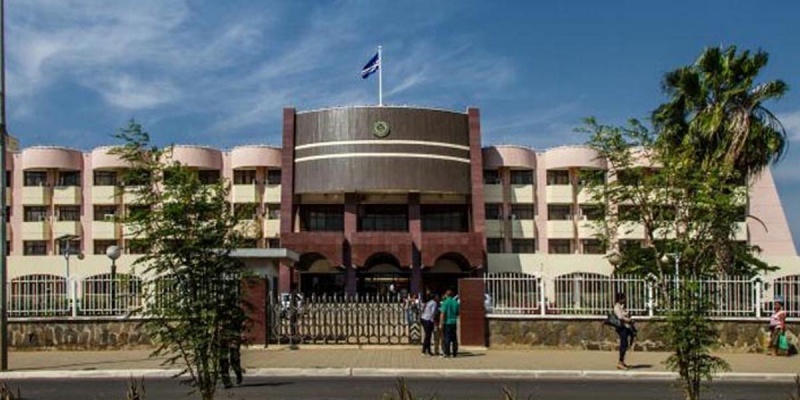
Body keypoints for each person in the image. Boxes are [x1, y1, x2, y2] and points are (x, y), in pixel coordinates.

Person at [613, 292, 635, 370]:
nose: (625, 300)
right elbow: (620, 317)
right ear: (620, 299)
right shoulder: (617, 307)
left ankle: (622, 362)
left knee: (625, 344)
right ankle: (620, 362)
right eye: (623, 298)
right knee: (623, 344)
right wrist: (628, 320)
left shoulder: (621, 306)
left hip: (626, 327)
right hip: (622, 327)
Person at [439, 289, 460, 358]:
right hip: (453, 322)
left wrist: (441, 323)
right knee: (454, 338)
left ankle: (447, 353)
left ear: (446, 295)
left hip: (446, 322)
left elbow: (442, 313)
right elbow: (457, 313)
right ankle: (454, 352)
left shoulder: (445, 302)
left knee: (447, 338)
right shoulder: (455, 303)